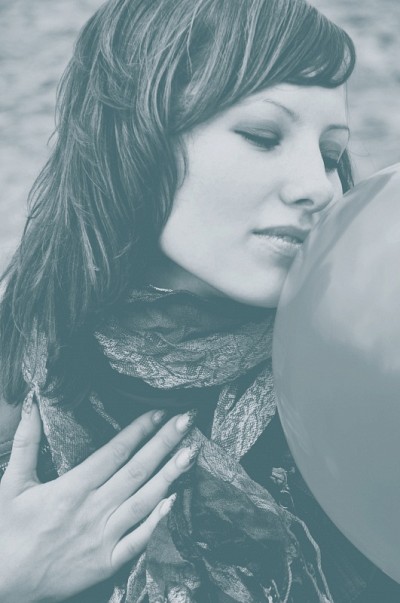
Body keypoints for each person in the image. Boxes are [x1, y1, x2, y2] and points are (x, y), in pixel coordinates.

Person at [0, 0, 399, 601]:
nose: (317, 187)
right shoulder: (23, 364)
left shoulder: (368, 359)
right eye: (263, 136)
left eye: (331, 156)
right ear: (136, 135)